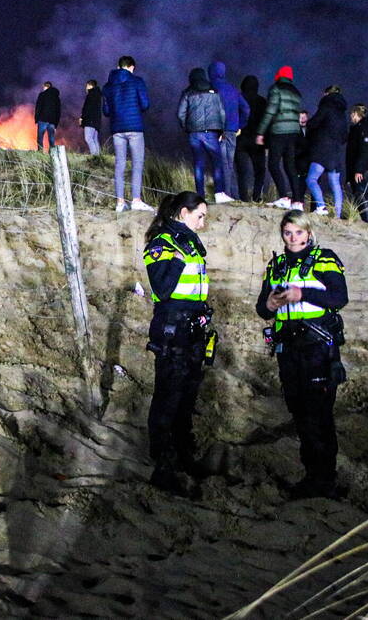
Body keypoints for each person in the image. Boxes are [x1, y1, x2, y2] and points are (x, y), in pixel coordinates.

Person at [256, 210, 348, 499]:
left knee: (318, 414)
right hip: (288, 349)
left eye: (298, 232)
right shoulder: (276, 265)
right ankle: (313, 476)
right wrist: (269, 303)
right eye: (287, 233)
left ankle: (325, 479)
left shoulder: (325, 258)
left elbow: (339, 297)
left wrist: (302, 294)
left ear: (308, 233)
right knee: (299, 413)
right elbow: (261, 308)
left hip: (317, 348)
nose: (293, 238)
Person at [143, 191, 213, 496]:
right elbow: (161, 286)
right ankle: (164, 465)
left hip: (193, 326)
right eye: (200, 215)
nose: (203, 222)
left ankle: (184, 456)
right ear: (183, 213)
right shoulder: (162, 243)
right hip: (173, 327)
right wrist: (178, 260)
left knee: (187, 396)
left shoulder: (190, 243)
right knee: (168, 396)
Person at [103, 55, 153, 212]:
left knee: (120, 164)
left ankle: (120, 203)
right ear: (132, 67)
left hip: (117, 128)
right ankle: (136, 200)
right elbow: (145, 104)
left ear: (118, 67)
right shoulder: (137, 81)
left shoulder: (107, 86)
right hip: (135, 127)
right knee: (137, 164)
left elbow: (106, 111)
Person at [177, 68, 228, 202]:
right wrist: (221, 130)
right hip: (211, 132)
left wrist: (186, 127)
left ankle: (200, 195)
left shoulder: (187, 93)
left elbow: (180, 113)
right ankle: (219, 193)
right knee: (217, 162)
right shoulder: (214, 91)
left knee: (199, 164)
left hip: (194, 133)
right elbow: (222, 112)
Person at [256, 66, 304, 209]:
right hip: (293, 132)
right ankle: (297, 202)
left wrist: (260, 132)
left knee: (273, 164)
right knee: (290, 166)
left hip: (279, 132)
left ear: (279, 75)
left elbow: (270, 112)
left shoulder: (276, 89)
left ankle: (284, 197)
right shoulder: (296, 93)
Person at [208, 61, 249, 202]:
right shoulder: (233, 89)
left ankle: (226, 195)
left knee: (221, 163)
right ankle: (234, 196)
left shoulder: (212, 88)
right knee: (229, 164)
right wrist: (239, 125)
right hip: (232, 130)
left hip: (219, 131)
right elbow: (246, 109)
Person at [305, 85, 349, 217]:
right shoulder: (342, 113)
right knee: (335, 183)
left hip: (322, 151)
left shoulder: (326, 106)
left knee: (311, 179)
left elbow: (313, 123)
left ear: (327, 94)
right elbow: (344, 136)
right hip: (336, 152)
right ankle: (337, 214)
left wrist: (308, 125)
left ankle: (321, 206)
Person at [235, 75, 268, 202]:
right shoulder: (262, 101)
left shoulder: (238, 99)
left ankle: (243, 198)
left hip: (240, 140)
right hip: (257, 141)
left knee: (242, 172)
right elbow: (267, 122)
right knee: (259, 171)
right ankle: (257, 196)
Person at [346, 104, 368, 225]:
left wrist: (359, 170)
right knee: (359, 195)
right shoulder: (357, 129)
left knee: (362, 195)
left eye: (352, 113)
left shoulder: (364, 128)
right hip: (359, 169)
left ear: (356, 113)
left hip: (363, 170)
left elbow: (365, 150)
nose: (350, 116)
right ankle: (367, 222)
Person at [292, 110, 311, 211]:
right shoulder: (294, 130)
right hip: (298, 162)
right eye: (301, 117)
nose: (303, 119)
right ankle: (298, 204)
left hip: (309, 162)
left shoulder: (311, 130)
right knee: (299, 185)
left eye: (305, 117)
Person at [34, 81, 60, 152]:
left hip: (42, 119)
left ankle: (40, 152)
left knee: (40, 137)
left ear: (45, 87)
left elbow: (38, 107)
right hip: (52, 121)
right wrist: (56, 124)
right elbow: (58, 111)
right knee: (51, 139)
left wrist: (36, 118)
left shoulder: (42, 95)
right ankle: (52, 153)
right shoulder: (56, 97)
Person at [79, 79, 102, 155]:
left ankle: (94, 156)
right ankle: (98, 157)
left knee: (88, 138)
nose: (86, 87)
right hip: (96, 120)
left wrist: (82, 117)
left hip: (90, 120)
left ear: (90, 85)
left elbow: (87, 108)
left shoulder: (91, 95)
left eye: (87, 86)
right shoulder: (98, 94)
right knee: (94, 139)